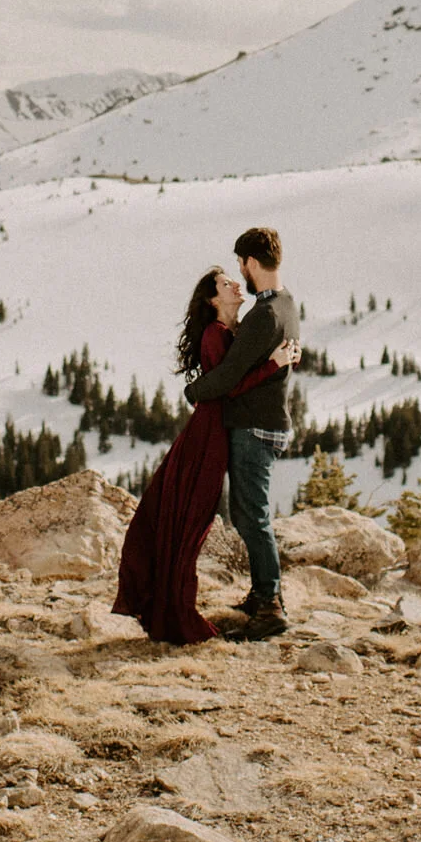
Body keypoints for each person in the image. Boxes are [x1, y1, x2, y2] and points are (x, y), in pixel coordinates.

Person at [113, 264, 298, 643]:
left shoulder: (235, 328)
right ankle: (179, 599)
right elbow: (227, 386)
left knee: (206, 515)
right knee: (196, 515)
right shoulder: (216, 334)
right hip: (210, 432)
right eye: (225, 283)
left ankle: (250, 596)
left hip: (219, 428)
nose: (235, 283)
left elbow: (233, 378)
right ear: (213, 299)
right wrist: (272, 365)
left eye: (234, 277)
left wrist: (281, 359)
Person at [184, 226, 301, 642]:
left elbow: (226, 378)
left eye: (240, 265)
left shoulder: (261, 317)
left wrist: (193, 390)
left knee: (252, 518)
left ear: (252, 264)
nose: (240, 273)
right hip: (270, 424)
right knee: (251, 515)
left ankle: (270, 607)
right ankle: (260, 594)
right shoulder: (286, 305)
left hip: (254, 429)